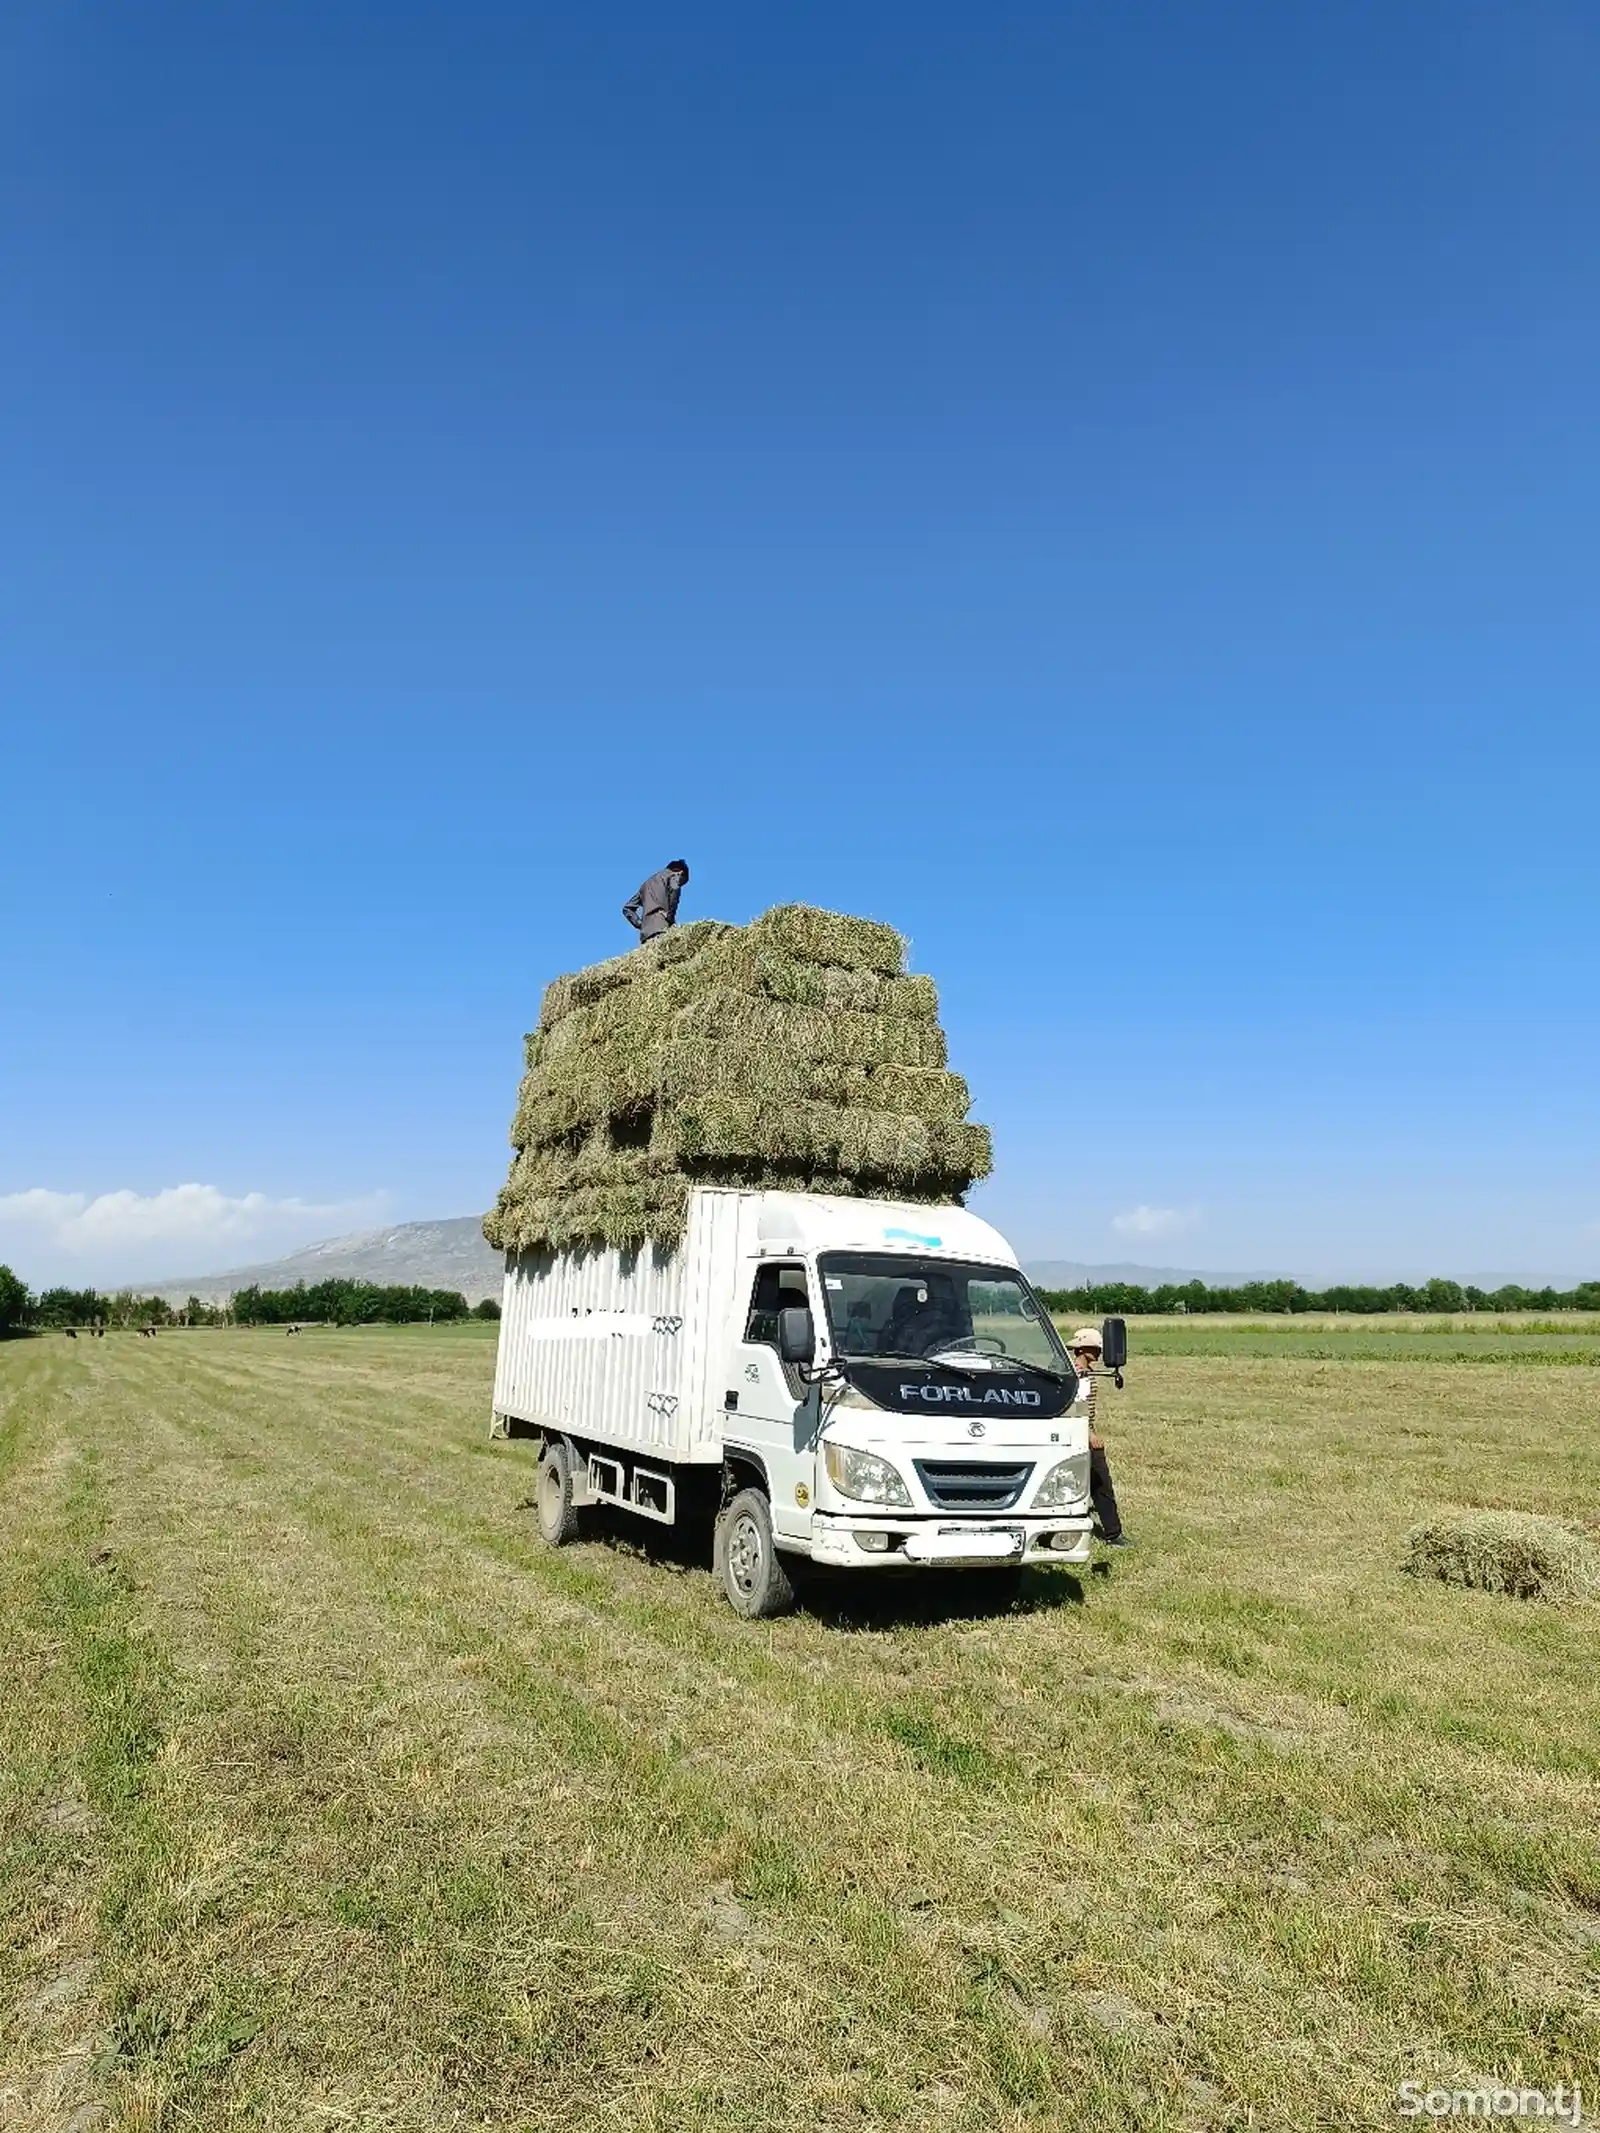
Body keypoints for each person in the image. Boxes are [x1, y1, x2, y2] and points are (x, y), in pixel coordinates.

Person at [1069, 1326, 1131, 1547]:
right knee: (1101, 1483)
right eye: (1095, 1349)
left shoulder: (1083, 1373)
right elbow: (1074, 1408)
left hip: (1083, 1431)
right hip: (1079, 1434)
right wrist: (1089, 1434)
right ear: (1083, 1349)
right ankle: (1113, 1535)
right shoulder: (1075, 1374)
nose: (1098, 1353)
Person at [622, 859, 691, 944]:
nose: (680, 884)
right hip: (661, 928)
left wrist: (640, 923)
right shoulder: (673, 876)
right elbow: (674, 896)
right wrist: (670, 918)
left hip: (645, 934)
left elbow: (627, 908)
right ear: (680, 872)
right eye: (682, 882)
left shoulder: (645, 885)